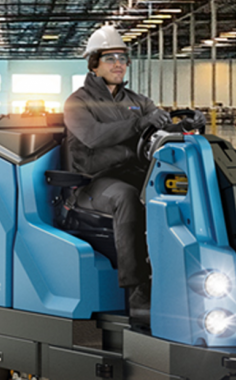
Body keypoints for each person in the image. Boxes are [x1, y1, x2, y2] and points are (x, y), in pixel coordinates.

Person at [63, 25, 169, 325]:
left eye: (123, 58)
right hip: (92, 182)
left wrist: (178, 122)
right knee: (127, 198)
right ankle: (136, 289)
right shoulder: (77, 102)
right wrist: (139, 125)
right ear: (93, 63)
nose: (119, 64)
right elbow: (95, 137)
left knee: (175, 191)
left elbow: (157, 121)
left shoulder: (136, 99)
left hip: (134, 172)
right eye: (110, 58)